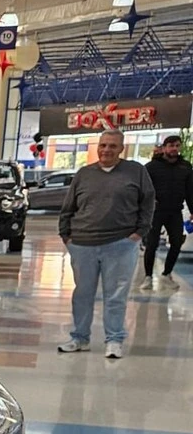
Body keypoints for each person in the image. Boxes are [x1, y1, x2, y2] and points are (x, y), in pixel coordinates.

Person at [57, 129, 155, 360]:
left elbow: (148, 202)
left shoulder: (136, 172)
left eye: (112, 146)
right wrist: (66, 235)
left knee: (116, 296)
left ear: (121, 148)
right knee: (82, 294)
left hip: (121, 244)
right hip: (83, 243)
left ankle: (114, 340)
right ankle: (79, 338)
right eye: (103, 145)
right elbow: (69, 206)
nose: (106, 150)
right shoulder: (84, 173)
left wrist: (139, 233)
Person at [141, 134, 193, 290]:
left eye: (177, 145)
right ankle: (148, 277)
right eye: (171, 146)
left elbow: (190, 190)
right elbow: (143, 189)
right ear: (164, 148)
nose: (174, 148)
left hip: (175, 211)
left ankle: (166, 274)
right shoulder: (151, 167)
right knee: (151, 244)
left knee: (177, 243)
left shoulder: (186, 167)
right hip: (155, 211)